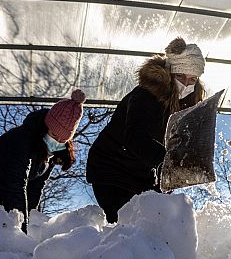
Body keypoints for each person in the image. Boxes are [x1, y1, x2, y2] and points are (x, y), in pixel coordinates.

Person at [87, 37, 206, 223]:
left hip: (141, 173)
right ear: (169, 72)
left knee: (160, 224)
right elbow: (134, 136)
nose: (186, 84)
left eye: (192, 79)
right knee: (127, 229)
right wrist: (164, 162)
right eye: (180, 76)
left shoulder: (182, 106)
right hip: (111, 169)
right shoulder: (145, 95)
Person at [0, 90, 85, 232]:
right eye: (54, 135)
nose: (57, 142)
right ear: (46, 127)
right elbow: (16, 184)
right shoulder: (23, 139)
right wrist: (22, 231)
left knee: (10, 228)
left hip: (10, 188)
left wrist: (31, 221)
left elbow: (36, 185)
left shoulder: (53, 151)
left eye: (62, 140)